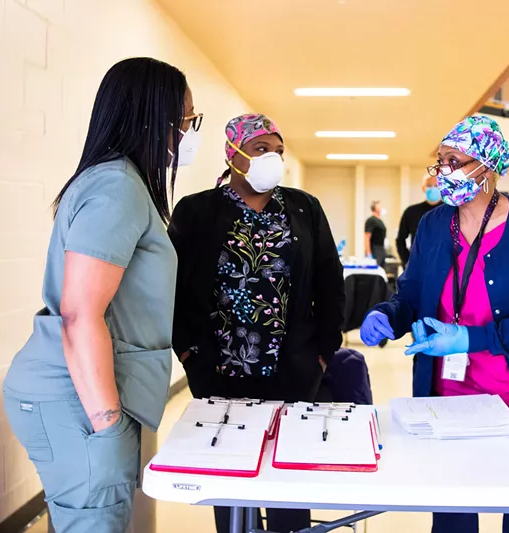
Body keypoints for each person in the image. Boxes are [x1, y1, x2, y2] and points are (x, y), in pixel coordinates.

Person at [2, 58, 201, 533]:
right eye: (187, 120)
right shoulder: (116, 187)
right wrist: (107, 422)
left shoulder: (116, 181)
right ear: (155, 119)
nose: (190, 132)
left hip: (78, 393)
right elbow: (78, 313)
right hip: (80, 399)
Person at [359, 115, 509, 533]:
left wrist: (471, 338)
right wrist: (388, 314)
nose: (443, 171)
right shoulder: (432, 226)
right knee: (452, 515)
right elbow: (411, 294)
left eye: (454, 161)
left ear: (488, 167)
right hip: (446, 403)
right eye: (440, 161)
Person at [169, 113, 345, 533]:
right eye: (262, 149)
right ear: (234, 154)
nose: (274, 160)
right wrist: (189, 352)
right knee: (229, 484)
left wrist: (323, 353)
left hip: (294, 370)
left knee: (288, 484)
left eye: (279, 151)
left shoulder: (304, 208)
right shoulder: (195, 212)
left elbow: (329, 280)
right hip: (220, 372)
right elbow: (171, 288)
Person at [396, 174, 442, 267]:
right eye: (429, 185)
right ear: (423, 188)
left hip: (444, 265)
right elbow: (400, 240)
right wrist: (406, 261)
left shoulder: (451, 211)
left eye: (436, 186)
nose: (433, 188)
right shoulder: (411, 212)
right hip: (418, 265)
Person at [364, 200, 388, 267]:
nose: (381, 207)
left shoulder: (380, 221)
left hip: (381, 249)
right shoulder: (371, 220)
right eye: (379, 205)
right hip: (375, 249)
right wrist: (368, 253)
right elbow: (367, 237)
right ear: (375, 207)